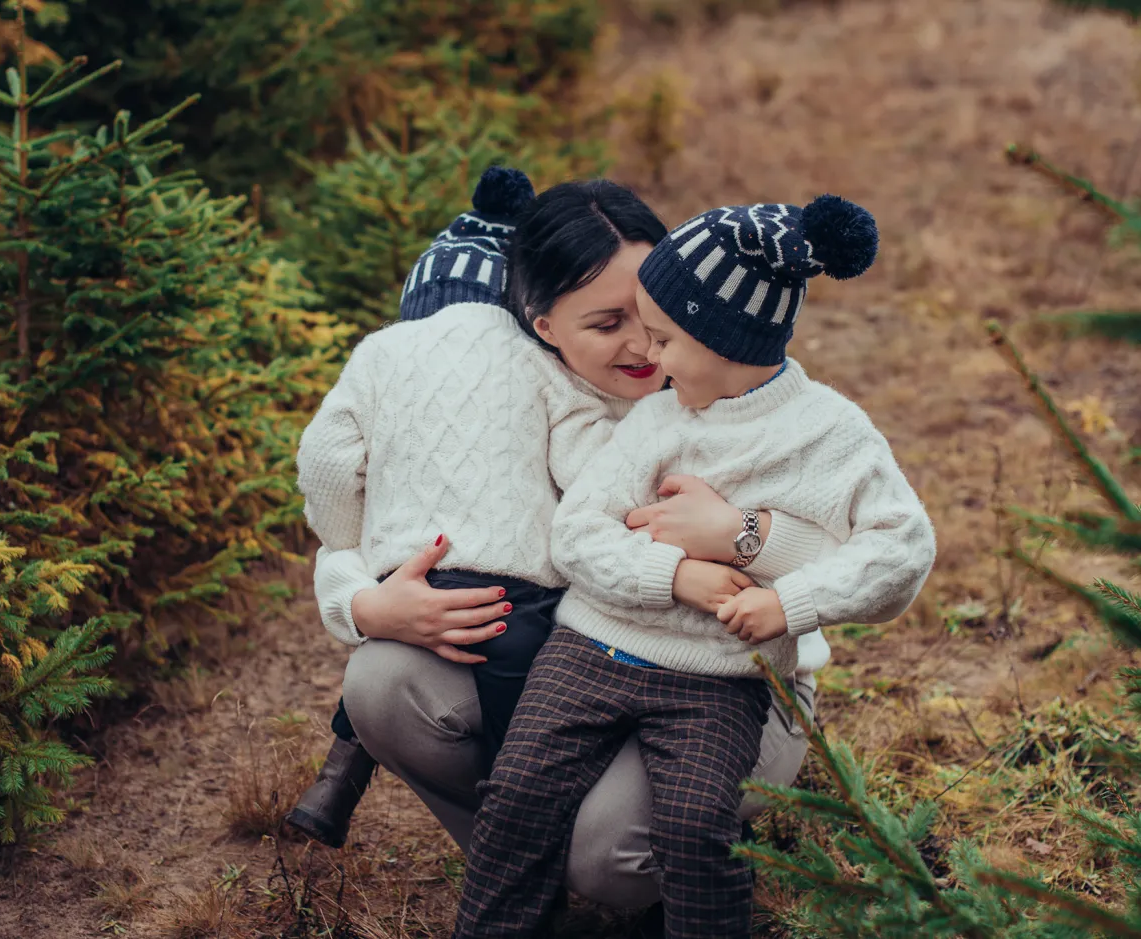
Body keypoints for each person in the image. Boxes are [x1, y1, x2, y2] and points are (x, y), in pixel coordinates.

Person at [452, 196, 937, 939]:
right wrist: (674, 576)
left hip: (719, 678)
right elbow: (577, 533)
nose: (652, 356)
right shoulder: (657, 420)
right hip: (588, 649)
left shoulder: (832, 436)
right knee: (517, 793)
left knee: (693, 823)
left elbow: (902, 549)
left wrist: (792, 602)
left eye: (666, 338)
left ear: (726, 339)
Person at [287, 174, 775, 852]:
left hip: (730, 674)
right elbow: (598, 493)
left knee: (602, 841)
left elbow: (329, 464)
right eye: (607, 323)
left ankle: (564, 844)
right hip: (581, 641)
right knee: (389, 681)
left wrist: (738, 534)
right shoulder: (548, 381)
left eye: (652, 312)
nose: (643, 345)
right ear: (541, 327)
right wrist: (365, 603)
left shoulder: (730, 368)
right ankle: (525, 851)